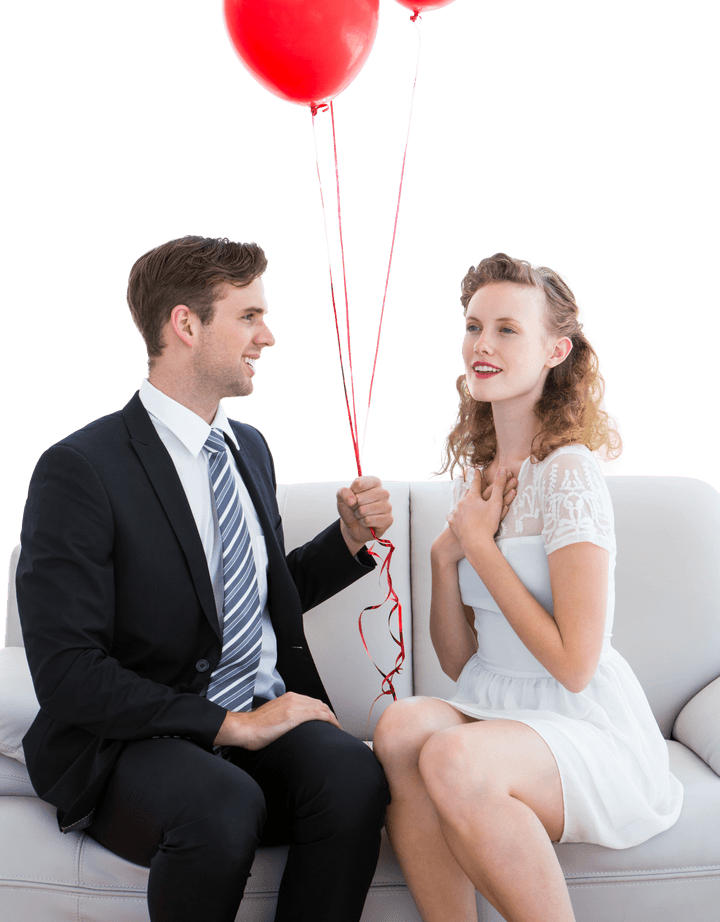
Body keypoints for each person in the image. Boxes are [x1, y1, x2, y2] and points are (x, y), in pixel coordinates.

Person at [16, 234, 393, 922]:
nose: (268, 336)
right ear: (185, 325)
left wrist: (347, 542)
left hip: (257, 721)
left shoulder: (248, 447)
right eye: (249, 316)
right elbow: (68, 672)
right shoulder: (78, 470)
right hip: (134, 743)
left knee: (353, 776)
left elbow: (248, 603)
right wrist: (229, 726)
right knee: (222, 802)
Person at [373, 252, 683, 922]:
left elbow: (575, 666)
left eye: (507, 329)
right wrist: (444, 560)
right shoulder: (475, 477)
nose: (481, 345)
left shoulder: (569, 472)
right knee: (399, 729)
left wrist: (482, 550)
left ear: (554, 350)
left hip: (580, 723)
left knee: (455, 756)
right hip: (497, 700)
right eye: (472, 326)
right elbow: (459, 663)